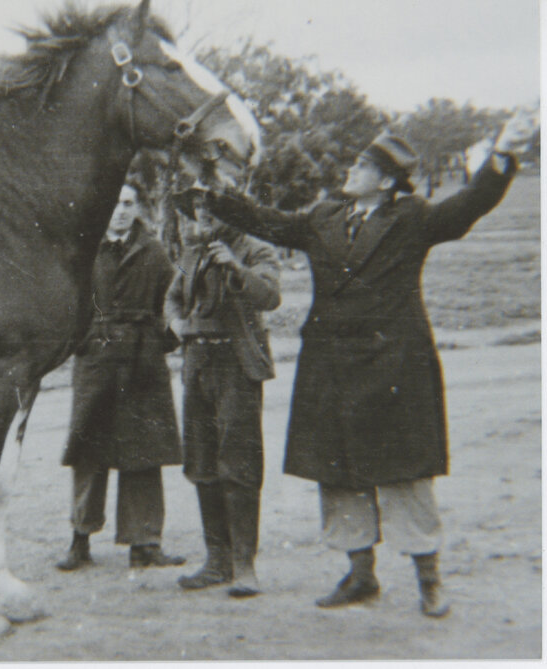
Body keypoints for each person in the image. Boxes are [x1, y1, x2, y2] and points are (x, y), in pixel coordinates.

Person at [193, 116, 534, 617]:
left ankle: (429, 580)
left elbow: (468, 207)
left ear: (388, 180)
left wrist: (502, 155)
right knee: (339, 472)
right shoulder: (323, 215)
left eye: (362, 165)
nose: (351, 170)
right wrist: (214, 190)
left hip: (395, 364)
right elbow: (267, 220)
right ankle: (360, 576)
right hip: (330, 365)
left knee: (406, 476)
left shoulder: (413, 216)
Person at [57, 182, 185, 571]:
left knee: (143, 451)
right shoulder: (84, 250)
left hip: (142, 362)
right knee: (87, 451)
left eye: (128, 203)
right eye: (114, 203)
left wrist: (166, 337)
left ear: (138, 208)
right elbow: (67, 301)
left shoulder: (154, 251)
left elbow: (175, 298)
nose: (121, 211)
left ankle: (145, 543)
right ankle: (80, 539)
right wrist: (82, 341)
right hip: (96, 360)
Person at [164, 187, 281, 598]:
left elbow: (270, 296)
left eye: (211, 208)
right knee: (201, 461)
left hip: (237, 363)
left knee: (240, 462)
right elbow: (174, 298)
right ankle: (216, 561)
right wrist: (178, 324)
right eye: (197, 209)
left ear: (233, 213)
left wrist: (236, 268)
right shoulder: (194, 252)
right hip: (197, 363)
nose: (202, 215)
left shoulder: (255, 250)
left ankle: (244, 565)